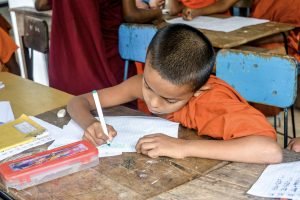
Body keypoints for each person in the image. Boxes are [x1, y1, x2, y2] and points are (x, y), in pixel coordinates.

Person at [67, 24, 282, 164]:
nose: (153, 103)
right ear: (147, 61)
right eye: (149, 88)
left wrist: (183, 147)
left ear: (199, 90)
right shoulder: (145, 82)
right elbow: (78, 101)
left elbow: (270, 151)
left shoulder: (212, 101)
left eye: (169, 100)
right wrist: (90, 124)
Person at [35, 0, 164, 95]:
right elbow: (131, 15)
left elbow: (40, 4)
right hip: (104, 63)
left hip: (65, 67)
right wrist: (157, 13)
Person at [168, 0, 238, 20]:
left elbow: (223, 4)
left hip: (218, 21)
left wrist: (198, 11)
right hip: (190, 22)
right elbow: (174, 10)